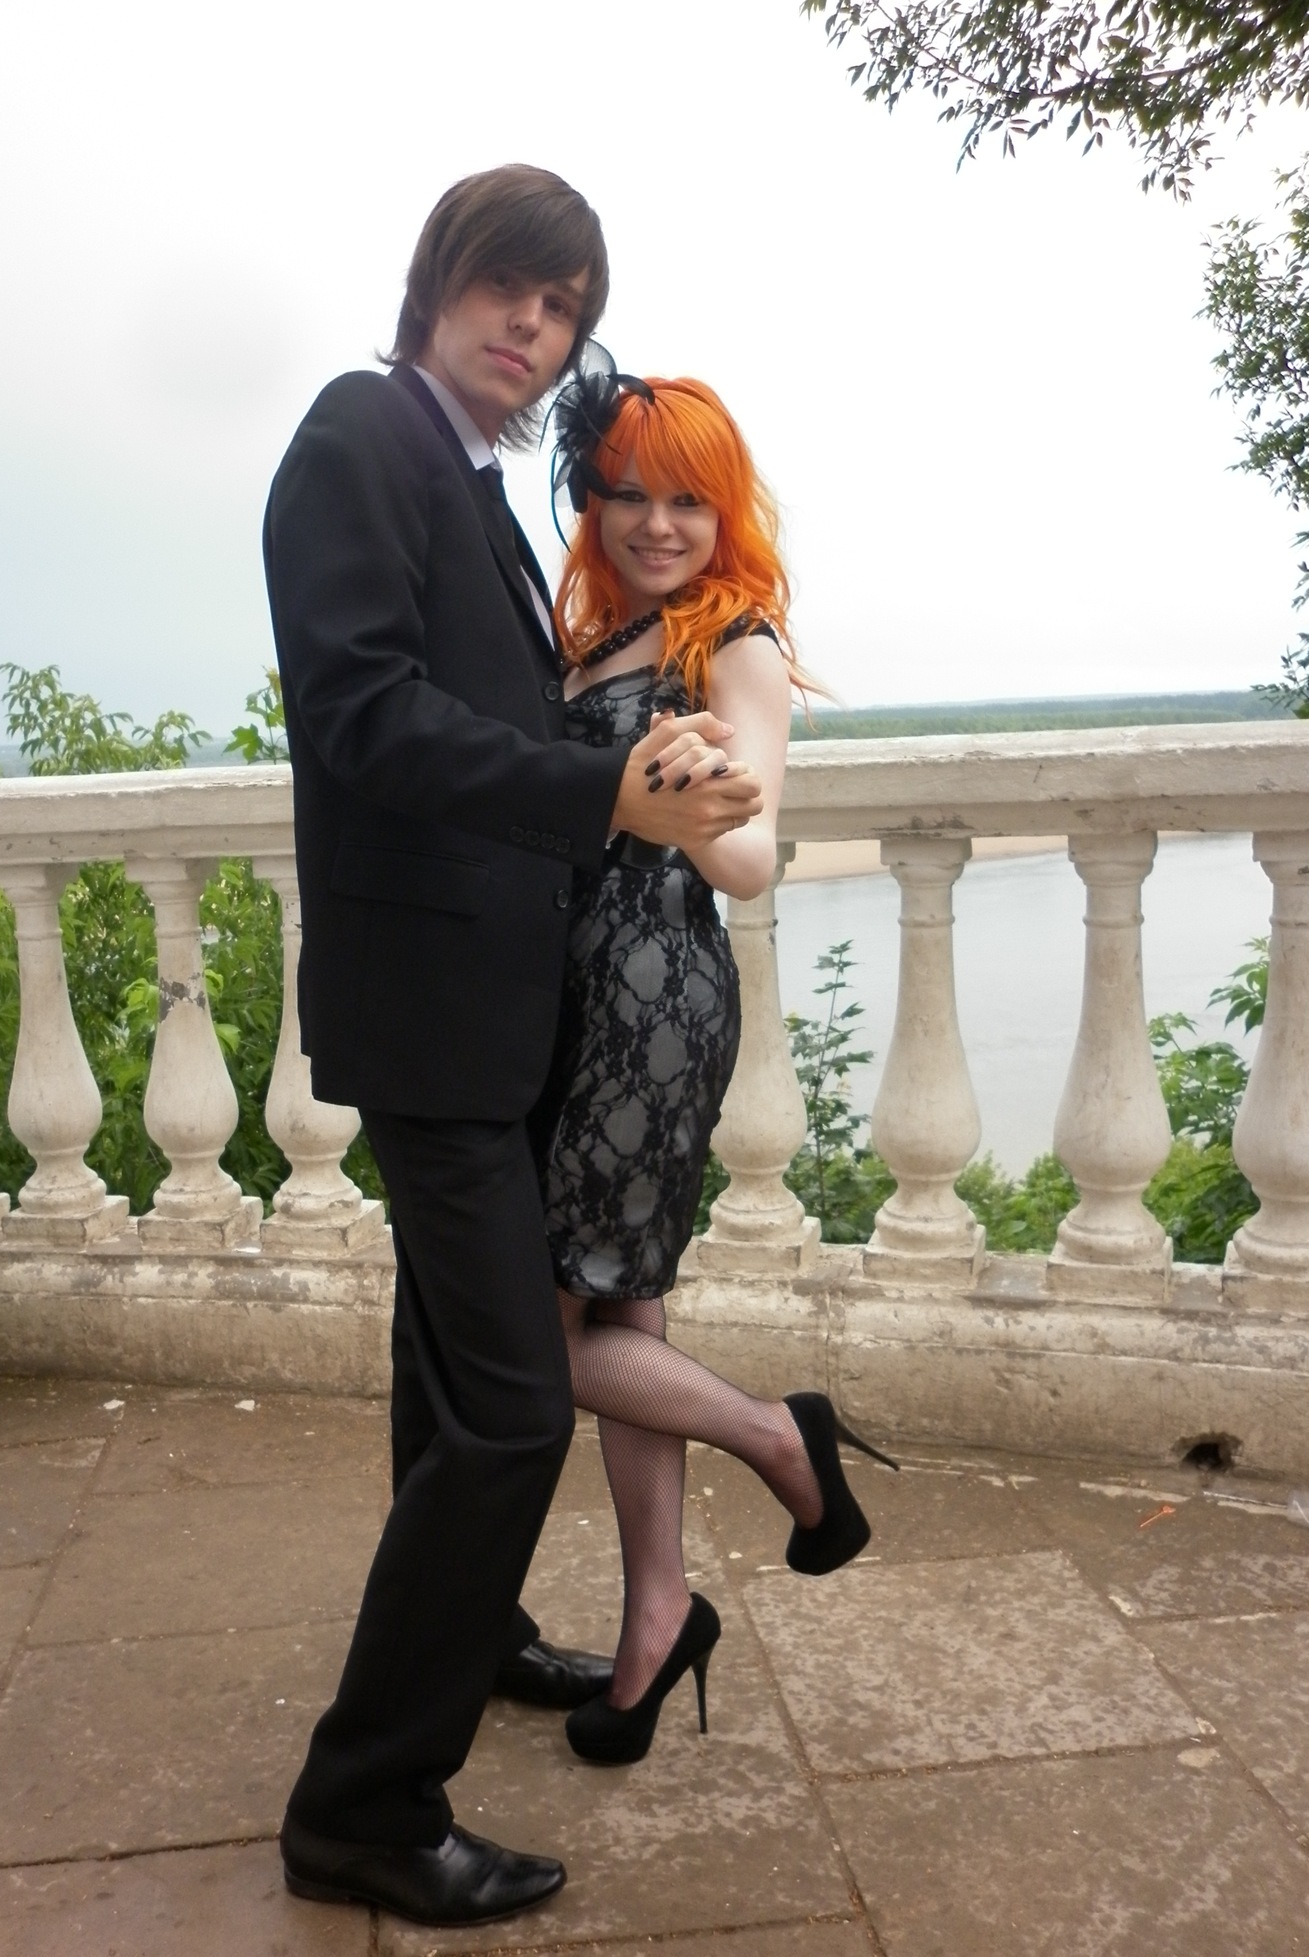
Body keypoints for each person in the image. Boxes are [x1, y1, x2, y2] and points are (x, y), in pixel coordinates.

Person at [262, 167, 764, 1926]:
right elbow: (360, 714)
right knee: (510, 1409)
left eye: (561, 308)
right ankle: (365, 1807)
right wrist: (603, 791)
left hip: (493, 1010)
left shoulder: (467, 480)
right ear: (436, 287)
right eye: (506, 289)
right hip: (428, 1011)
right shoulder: (360, 437)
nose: (531, 327)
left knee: (441, 1376)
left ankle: (468, 1640)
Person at [537, 365, 897, 1766]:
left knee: (539, 1338)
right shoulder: (594, 634)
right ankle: (657, 1616)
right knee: (624, 1314)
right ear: (594, 502)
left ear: (726, 508)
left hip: (648, 1012)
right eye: (630, 494)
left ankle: (777, 1438)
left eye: (689, 498)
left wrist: (689, 791)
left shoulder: (731, 641)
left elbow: (749, 864)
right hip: (562, 1008)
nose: (659, 523)